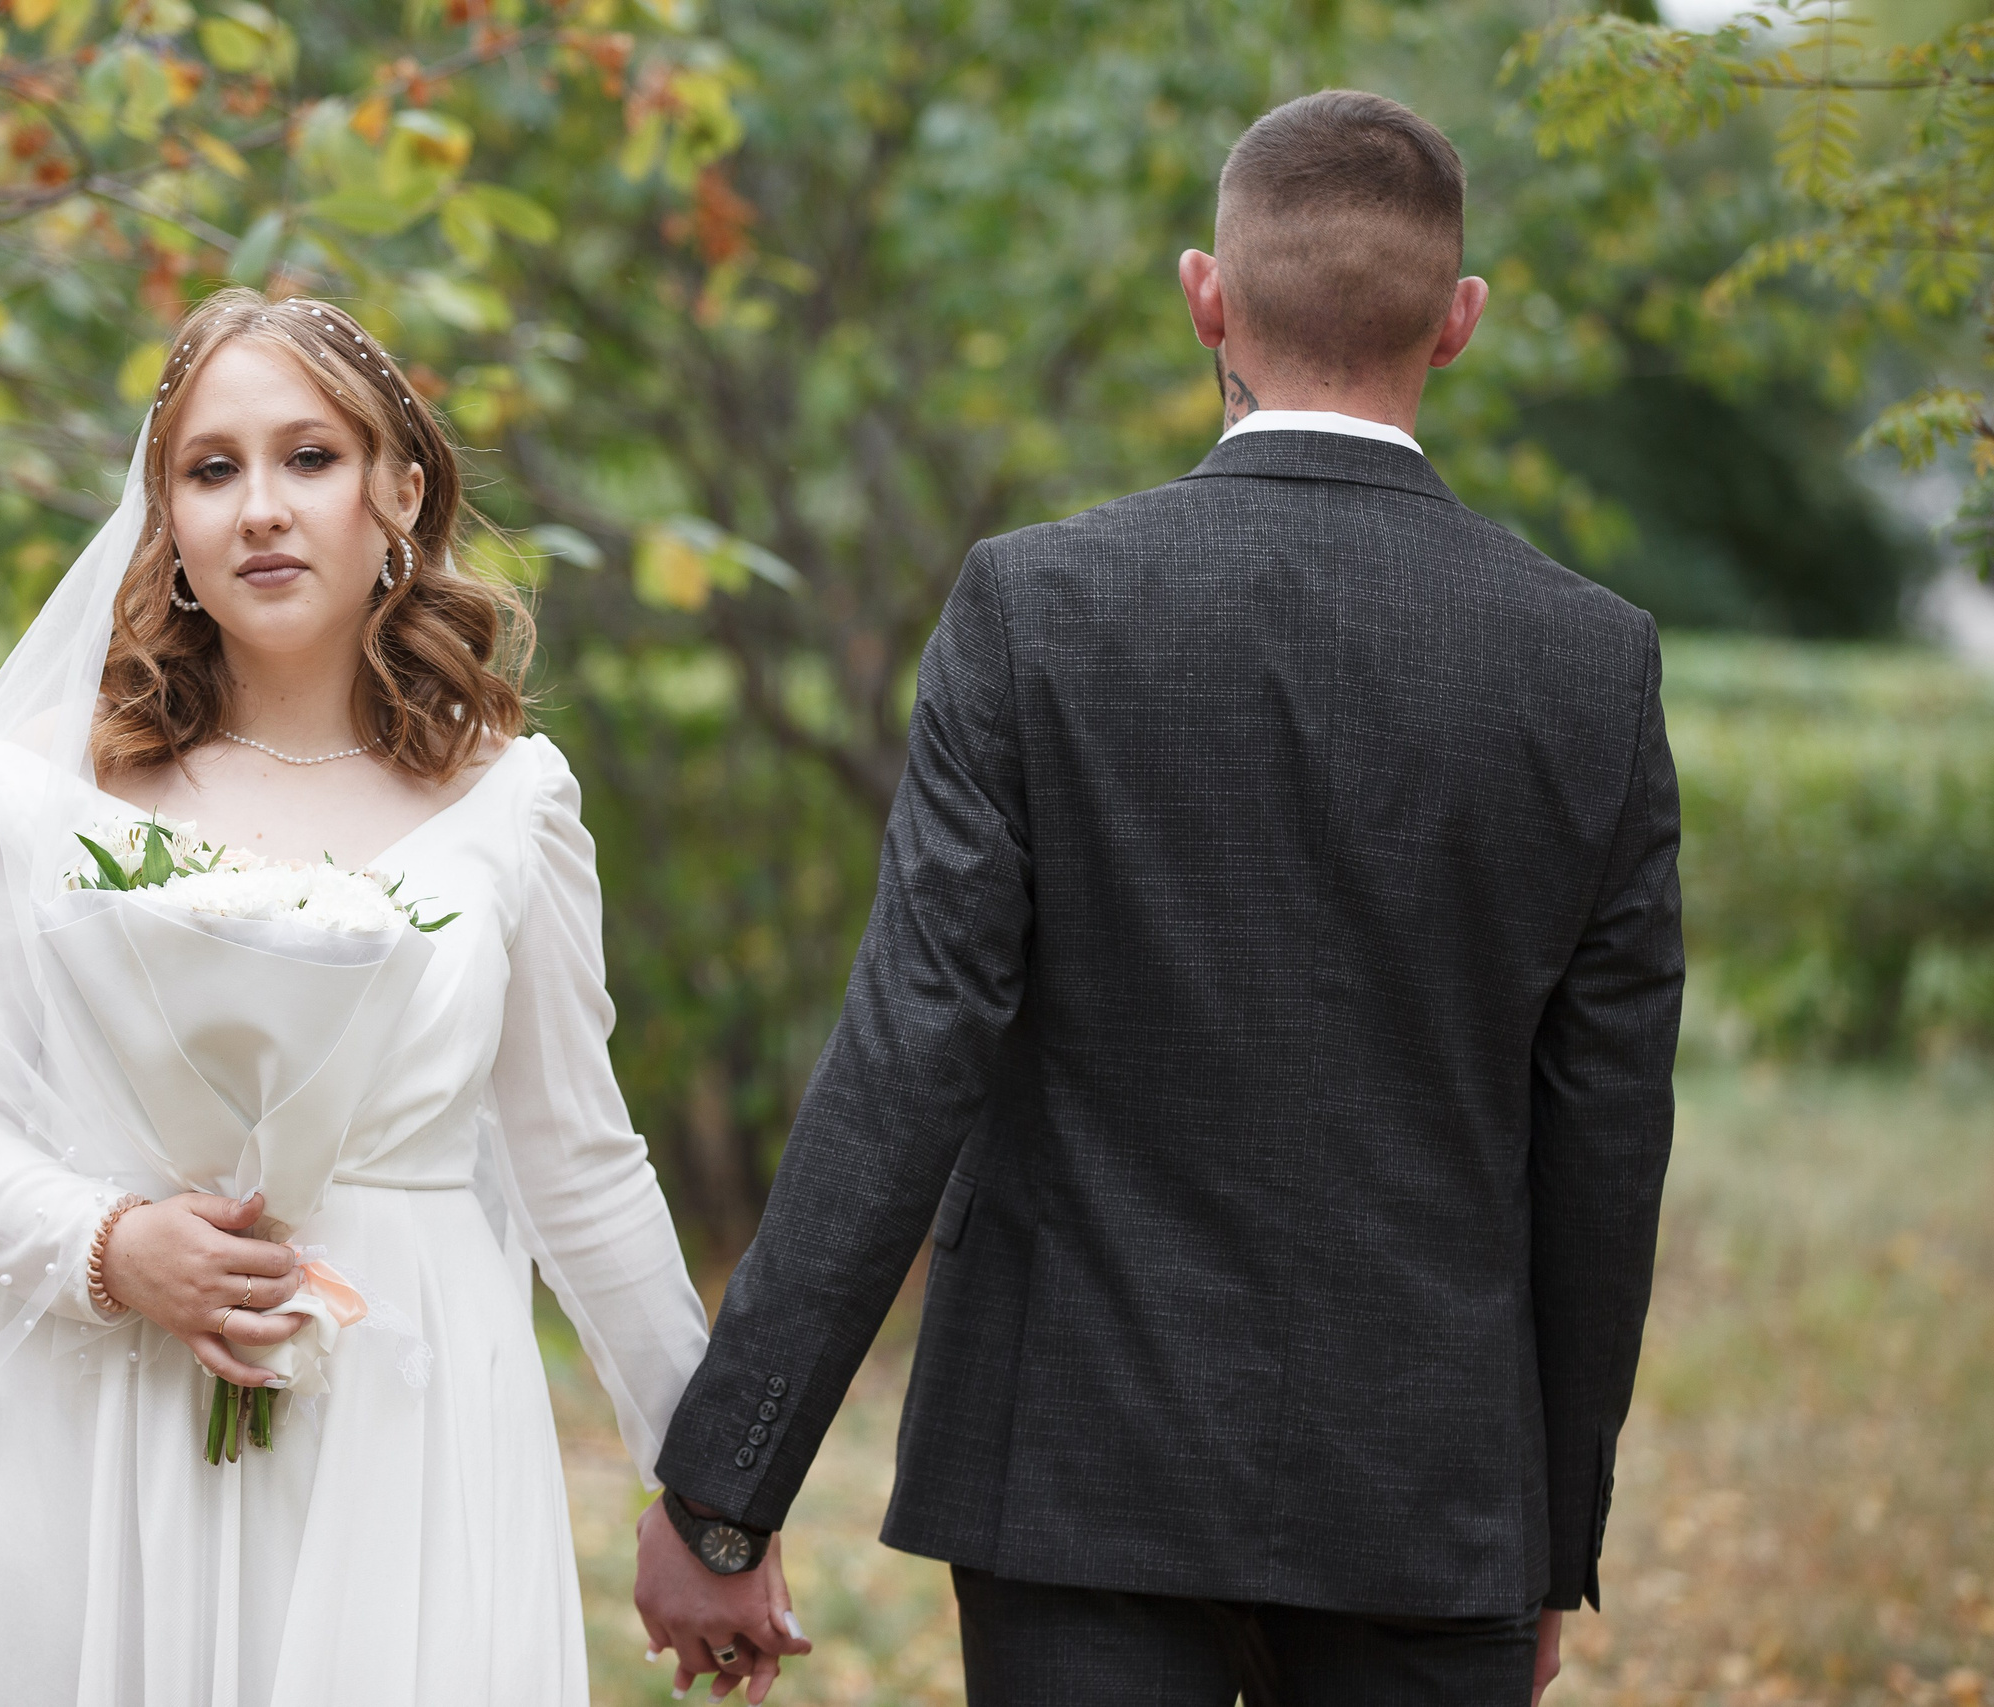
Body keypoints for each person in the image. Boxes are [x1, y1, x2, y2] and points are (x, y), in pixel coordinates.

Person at [636, 90, 1684, 1705]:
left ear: (1209, 293)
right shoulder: (1589, 670)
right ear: (1457, 323)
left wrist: (724, 1492)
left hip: (1077, 1480)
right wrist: (1550, 1541)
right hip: (1430, 1501)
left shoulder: (1034, 612)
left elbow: (909, 1055)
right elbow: (1604, 1152)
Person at [0, 289, 725, 1705]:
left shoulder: (510, 805)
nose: (260, 506)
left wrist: (711, 1497)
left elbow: (578, 1163)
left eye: (309, 459)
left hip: (412, 1422)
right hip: (110, 1421)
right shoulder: (27, 799)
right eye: (213, 469)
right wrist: (110, 1242)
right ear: (168, 524)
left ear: (399, 494)